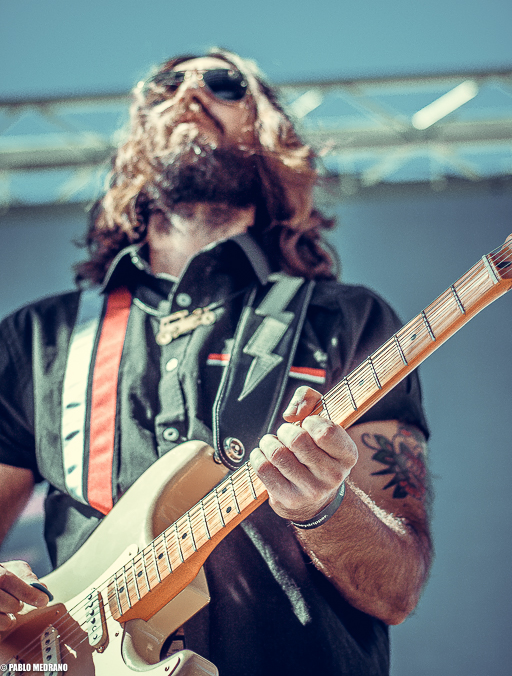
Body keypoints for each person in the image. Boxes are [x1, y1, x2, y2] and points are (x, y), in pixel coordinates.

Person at [0, 49, 432, 675]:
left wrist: (324, 507)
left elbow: (397, 590)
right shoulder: (39, 338)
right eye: (164, 86)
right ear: (136, 138)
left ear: (270, 135)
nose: (189, 93)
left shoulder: (347, 320)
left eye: (224, 84)